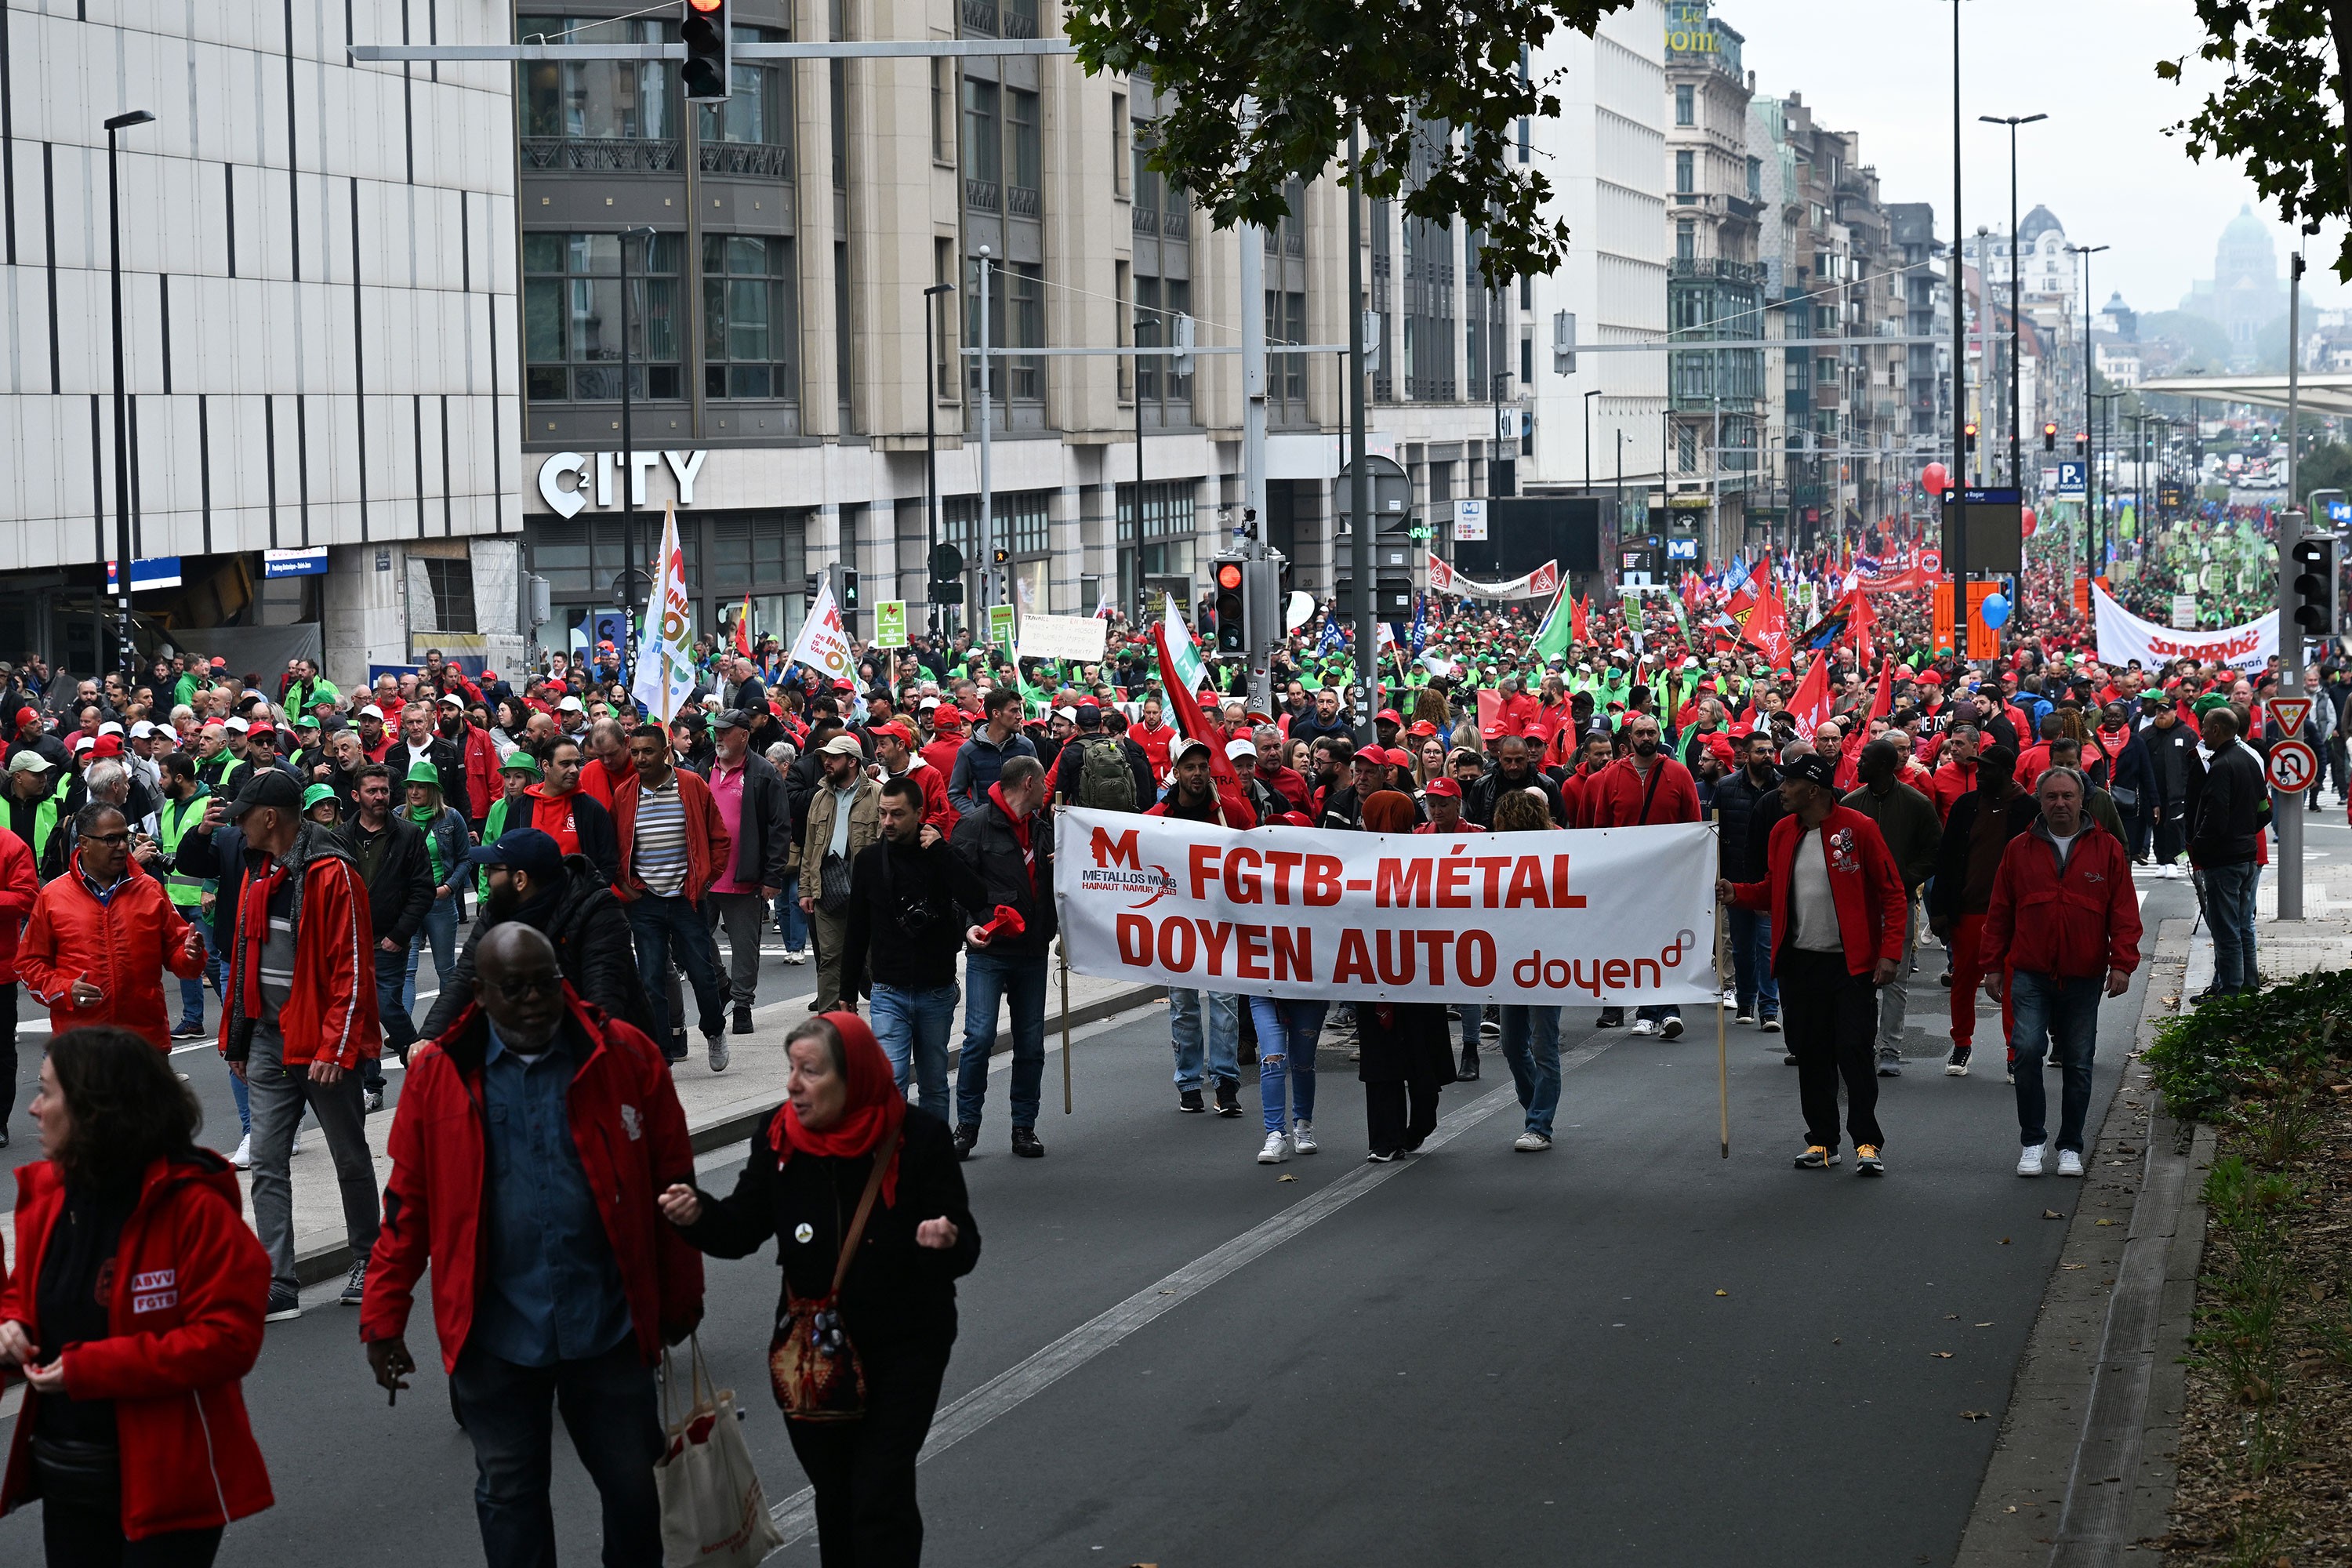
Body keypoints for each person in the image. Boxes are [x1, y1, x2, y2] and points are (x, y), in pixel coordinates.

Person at [363, 924, 704, 1568]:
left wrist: (681, 1297)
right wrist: (383, 1318)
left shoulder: (623, 1055)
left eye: (545, 984)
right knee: (510, 1496)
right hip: (495, 1336)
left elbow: (672, 1185)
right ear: (481, 996)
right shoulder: (440, 1074)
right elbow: (408, 1206)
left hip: (607, 1326)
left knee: (635, 1488)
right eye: (512, 988)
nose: (532, 1001)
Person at [658, 1012, 978, 1567]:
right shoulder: (781, 1138)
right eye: (791, 1070)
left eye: (810, 1071)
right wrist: (695, 1214)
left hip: (905, 1348)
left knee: (880, 1493)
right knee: (837, 1497)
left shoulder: (917, 1137)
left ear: (852, 1077)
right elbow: (738, 1230)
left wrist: (944, 1237)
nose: (793, 1085)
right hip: (814, 1356)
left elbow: (966, 1245)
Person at [0, 1027, 274, 1563]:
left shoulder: (194, 1209)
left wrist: (91, 1368)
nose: (33, 1109)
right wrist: (13, 1326)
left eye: (48, 1092)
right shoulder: (49, 1196)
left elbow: (228, 1340)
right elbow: (24, 1297)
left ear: (96, 1110)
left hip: (167, 1482)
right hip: (67, 1474)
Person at [216, 769, 383, 1319]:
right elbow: (245, 957)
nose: (237, 824)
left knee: (350, 1155)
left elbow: (353, 968)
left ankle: (369, 1259)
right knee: (265, 1159)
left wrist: (335, 1048)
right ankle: (278, 1282)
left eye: (244, 814)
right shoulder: (258, 869)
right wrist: (237, 1037)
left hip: (318, 1043)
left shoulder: (333, 873)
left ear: (269, 817)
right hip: (268, 1037)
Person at [1719, 751, 1906, 1176]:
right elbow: (1772, 889)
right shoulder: (1783, 832)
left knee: (1854, 1051)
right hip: (1800, 965)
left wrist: (1890, 952)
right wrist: (1738, 893)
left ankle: (1866, 1143)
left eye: (1789, 783)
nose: (1781, 790)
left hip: (1851, 965)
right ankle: (1822, 1140)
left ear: (1814, 790)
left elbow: (1893, 894)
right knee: (1811, 1053)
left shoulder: (1860, 828)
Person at [1978, 767, 2143, 1178]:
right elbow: (1999, 912)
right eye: (2051, 797)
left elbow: (2124, 912)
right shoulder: (2019, 849)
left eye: (2068, 796)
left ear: (2082, 799)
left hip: (2084, 973)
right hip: (2031, 971)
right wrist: (1992, 966)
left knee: (2079, 1063)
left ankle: (2071, 1145)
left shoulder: (2106, 849)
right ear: (2041, 801)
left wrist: (2121, 963)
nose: (2060, 804)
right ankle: (2032, 1141)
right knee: (2028, 1051)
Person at [419, 827, 655, 1040]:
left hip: (613, 1049)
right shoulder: (498, 907)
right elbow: (466, 976)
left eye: (492, 869)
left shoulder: (596, 909)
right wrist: (428, 1037)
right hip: (532, 1040)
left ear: (520, 879)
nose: (486, 877)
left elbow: (603, 997)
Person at [840, 776, 988, 1116]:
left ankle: (930, 1158)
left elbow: (977, 896)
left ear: (919, 813)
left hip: (935, 989)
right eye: (883, 814)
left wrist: (941, 851)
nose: (888, 823)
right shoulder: (869, 861)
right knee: (891, 1080)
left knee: (934, 1081)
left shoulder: (938, 854)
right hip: (888, 989)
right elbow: (857, 929)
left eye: (897, 815)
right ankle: (895, 1160)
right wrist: (847, 990)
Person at [16, 804, 209, 1051]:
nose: (121, 846)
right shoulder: (53, 896)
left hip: (144, 1045)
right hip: (81, 1049)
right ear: (84, 843)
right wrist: (66, 990)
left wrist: (191, 954)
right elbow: (29, 964)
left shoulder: (150, 890)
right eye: (111, 839)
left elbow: (180, 957)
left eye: (124, 837)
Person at [948, 753, 1056, 1160]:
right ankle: (967, 1126)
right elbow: (955, 886)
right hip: (990, 953)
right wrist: (968, 926)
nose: (1047, 789)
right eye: (1042, 782)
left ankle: (1023, 1128)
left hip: (1032, 951)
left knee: (1031, 1044)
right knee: (978, 1039)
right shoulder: (974, 827)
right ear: (1027, 783)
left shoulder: (1044, 829)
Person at [612, 722, 734, 1069]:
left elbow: (719, 838)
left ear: (665, 752)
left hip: (686, 899)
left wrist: (705, 881)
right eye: (634, 752)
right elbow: (616, 848)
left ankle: (714, 1031)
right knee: (651, 979)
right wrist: (627, 887)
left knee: (702, 974)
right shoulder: (625, 794)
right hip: (645, 901)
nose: (639, 759)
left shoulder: (692, 785)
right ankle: (661, 1051)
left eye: (647, 751)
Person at [1587, 712, 1701, 1036]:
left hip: (1669, 876)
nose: (1647, 738)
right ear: (1630, 740)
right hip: (1628, 879)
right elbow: (1601, 829)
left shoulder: (1678, 774)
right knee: (1638, 944)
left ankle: (1669, 1010)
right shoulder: (1612, 776)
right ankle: (1646, 1010)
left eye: (1652, 732)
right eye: (1641, 733)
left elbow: (1693, 826)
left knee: (1667, 943)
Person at [1926, 745, 2036, 1078]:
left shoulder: (2028, 809)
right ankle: (1961, 1044)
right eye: (1979, 769)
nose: (1980, 775)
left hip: (2012, 915)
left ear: (2006, 772)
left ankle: (2014, 1052)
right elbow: (1946, 858)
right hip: (1969, 909)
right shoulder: (1966, 805)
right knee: (1964, 980)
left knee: (2011, 985)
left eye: (1987, 770)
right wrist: (1940, 909)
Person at [1842, 739, 1942, 1078]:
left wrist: (1900, 879)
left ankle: (1890, 1049)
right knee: (1858, 978)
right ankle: (1862, 1044)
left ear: (1883, 766)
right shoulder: (1850, 804)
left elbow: (1933, 852)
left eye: (1864, 760)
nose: (1857, 765)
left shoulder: (1917, 804)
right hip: (1857, 908)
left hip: (1898, 904)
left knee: (1895, 979)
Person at [1488, 789, 1568, 1150]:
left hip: (1549, 960)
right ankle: (1537, 1107)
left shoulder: (1564, 848)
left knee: (1543, 1046)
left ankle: (1539, 1125)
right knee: (1511, 1044)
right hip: (1511, 959)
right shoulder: (1496, 852)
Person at [705, 710, 792, 1035]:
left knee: (744, 946)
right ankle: (721, 981)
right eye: (717, 731)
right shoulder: (705, 768)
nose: (719, 737)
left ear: (744, 735)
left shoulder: (764, 772)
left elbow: (780, 827)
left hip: (746, 874)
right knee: (696, 938)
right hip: (707, 875)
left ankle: (742, 1004)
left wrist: (772, 876)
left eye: (726, 732)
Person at [797, 733, 884, 1017]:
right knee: (830, 958)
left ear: (853, 762)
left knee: (877, 957)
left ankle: (887, 1016)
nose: (826, 762)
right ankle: (833, 1023)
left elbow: (887, 847)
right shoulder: (820, 798)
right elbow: (810, 848)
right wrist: (806, 890)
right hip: (827, 890)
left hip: (868, 893)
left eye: (834, 758)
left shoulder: (878, 795)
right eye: (825, 757)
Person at [2187, 705, 2265, 998]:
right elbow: (2264, 809)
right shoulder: (2248, 758)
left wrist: (2200, 843)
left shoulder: (2222, 766)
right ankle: (2246, 986)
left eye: (2205, 728)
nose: (2202, 733)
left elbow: (2216, 816)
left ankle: (2230, 993)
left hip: (2225, 860)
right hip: (2246, 855)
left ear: (2217, 730)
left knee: (2226, 930)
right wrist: (2244, 832)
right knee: (2243, 926)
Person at [398, 760, 470, 1035]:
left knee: (445, 969)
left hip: (440, 901)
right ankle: (403, 1032)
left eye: (422, 787)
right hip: (407, 904)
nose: (415, 792)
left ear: (433, 790)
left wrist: (449, 887)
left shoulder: (451, 818)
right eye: (411, 786)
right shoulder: (397, 817)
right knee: (407, 970)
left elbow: (465, 859)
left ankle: (449, 1028)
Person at [946, 688, 1036, 816]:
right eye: (1014, 711)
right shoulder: (968, 750)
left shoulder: (1026, 746)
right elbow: (956, 793)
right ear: (996, 714)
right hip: (985, 831)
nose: (1020, 716)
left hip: (1022, 829)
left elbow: (1038, 787)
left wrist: (1030, 816)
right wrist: (977, 816)